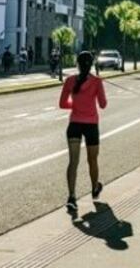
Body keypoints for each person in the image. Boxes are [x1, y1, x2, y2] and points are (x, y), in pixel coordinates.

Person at [59, 51, 107, 214]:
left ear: (77, 64)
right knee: (92, 160)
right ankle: (94, 188)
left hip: (74, 125)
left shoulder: (70, 80)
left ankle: (71, 196)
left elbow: (62, 104)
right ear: (92, 64)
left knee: (73, 162)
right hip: (91, 125)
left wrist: (76, 106)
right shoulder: (96, 81)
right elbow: (103, 104)